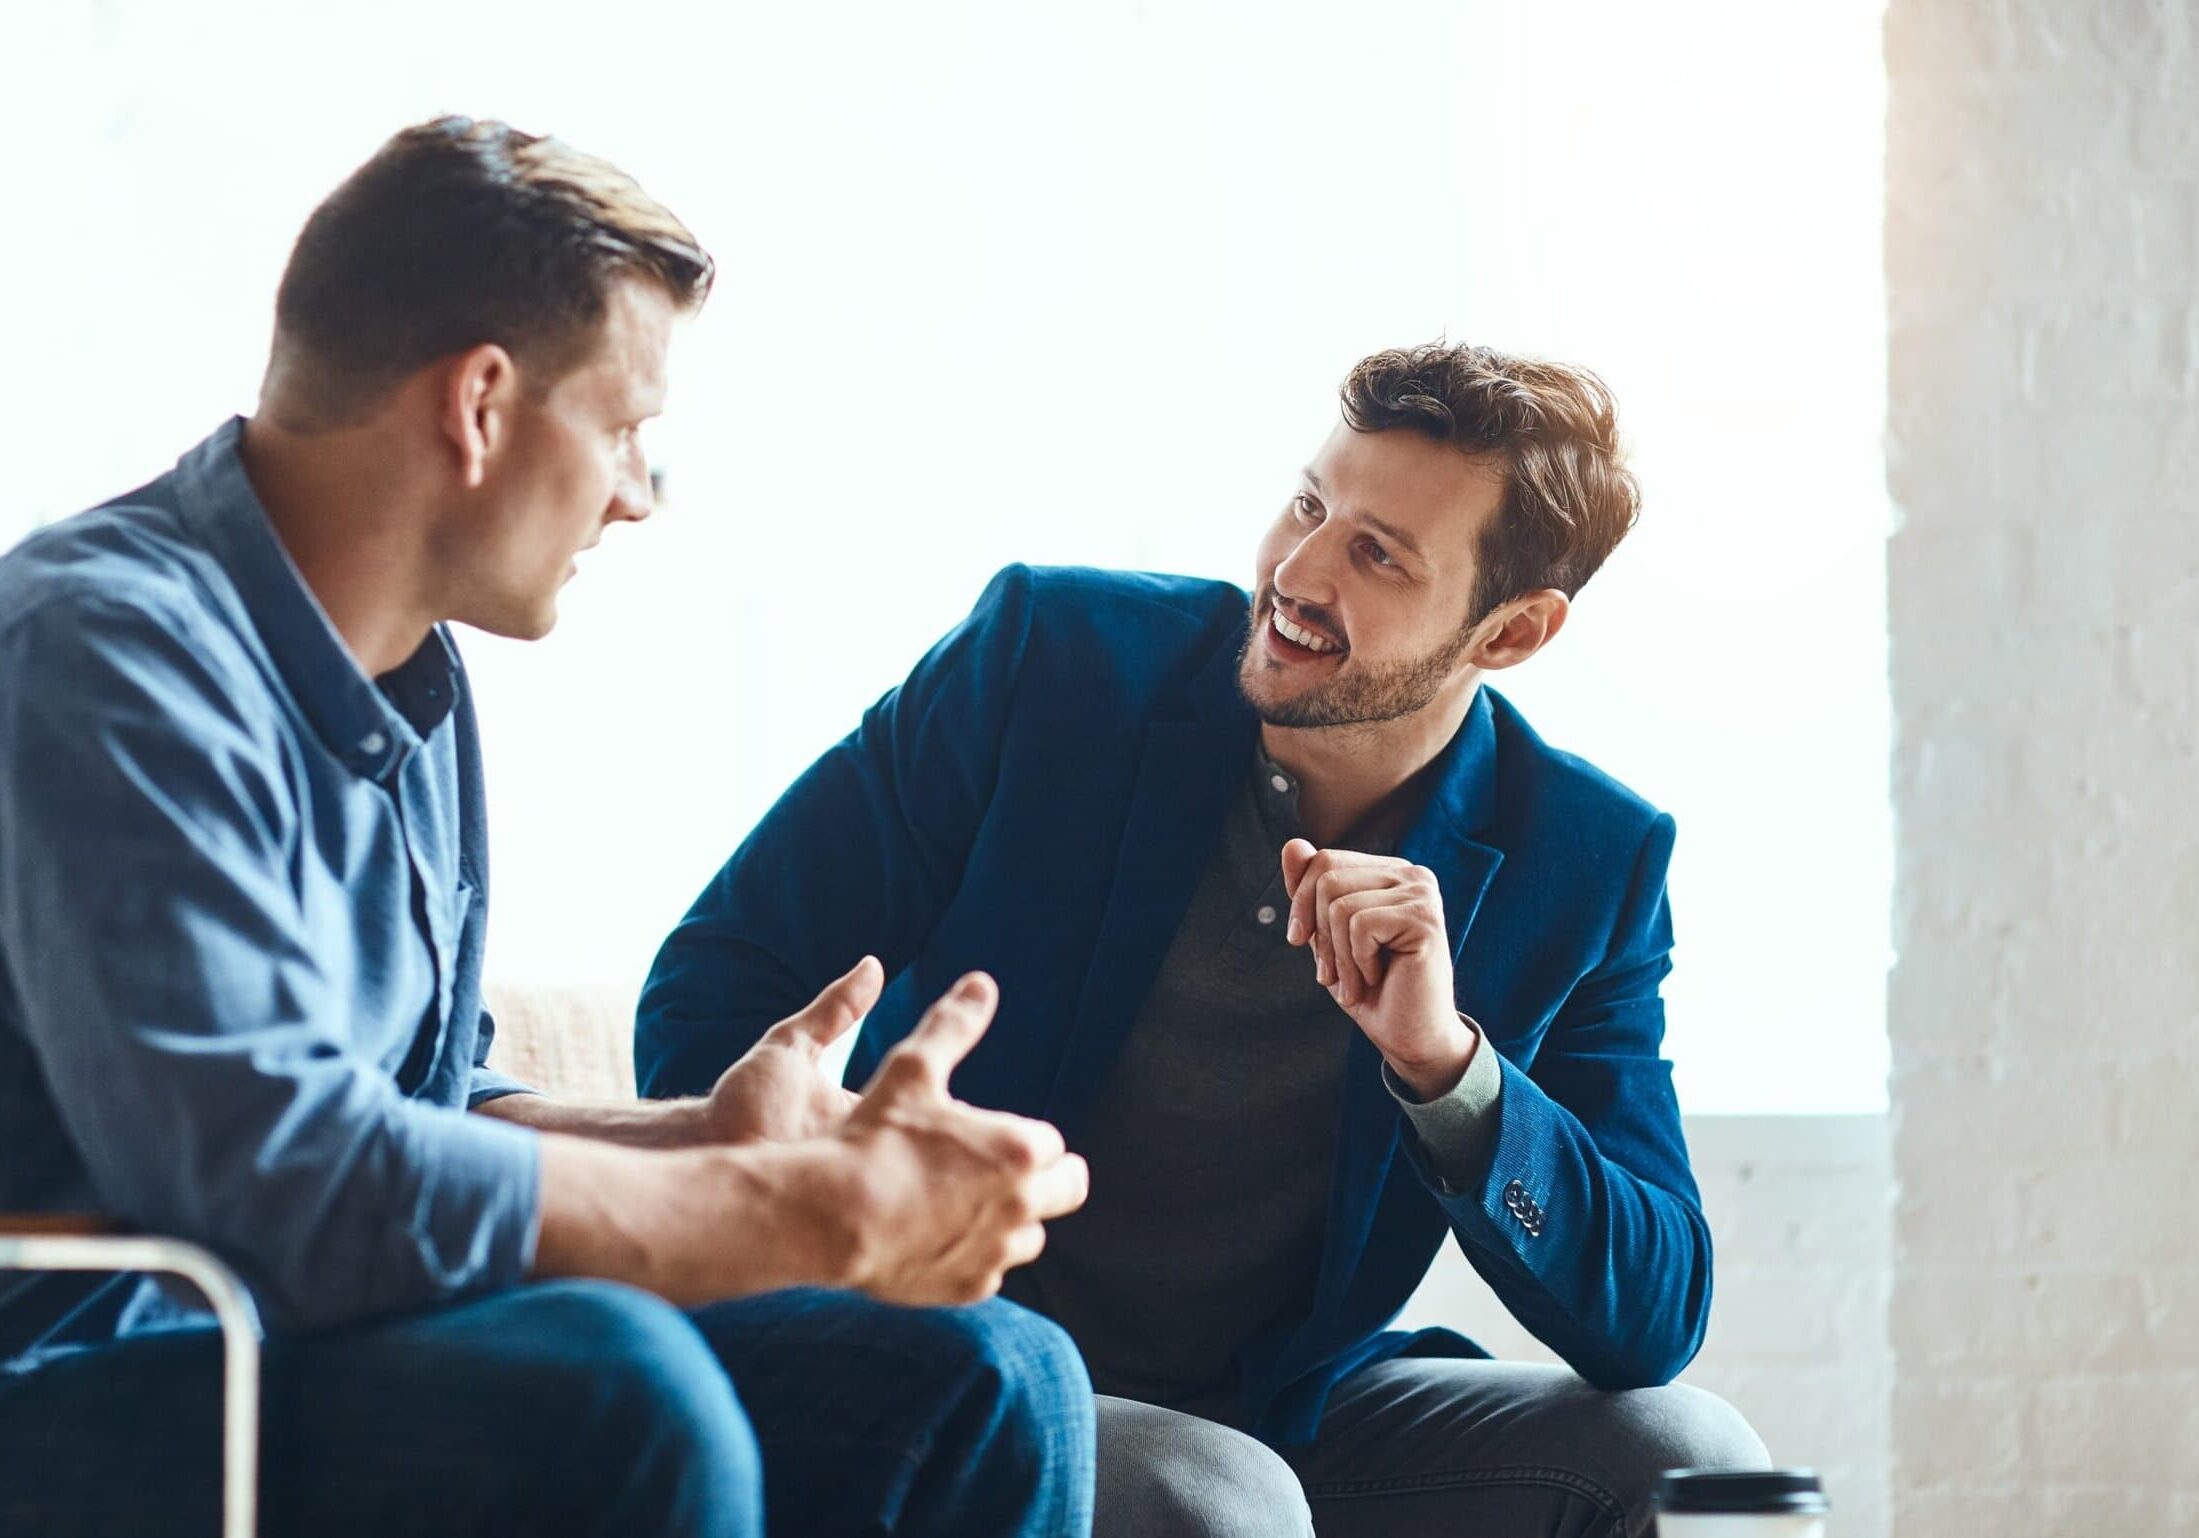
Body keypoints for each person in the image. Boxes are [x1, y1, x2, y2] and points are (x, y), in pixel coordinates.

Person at [0, 116, 1094, 1538]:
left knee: (990, 1375)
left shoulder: (410, 682)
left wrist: (707, 1139)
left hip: (308, 1332)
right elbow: (284, 1169)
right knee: (608, 1388)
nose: (639, 496)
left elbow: (424, 1091)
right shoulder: (102, 656)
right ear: (480, 404)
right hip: (79, 1370)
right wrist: (798, 1214)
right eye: (628, 430)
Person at [637, 342, 1772, 1538]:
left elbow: (1651, 1315)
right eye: (1309, 502)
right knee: (1216, 1500)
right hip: (957, 1351)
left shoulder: (1587, 859)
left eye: (1376, 553)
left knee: (1706, 1465)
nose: (1297, 567)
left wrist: (1450, 1067)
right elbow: (719, 979)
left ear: (1509, 633)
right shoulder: (1054, 659)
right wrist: (825, 1223)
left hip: (1284, 1403)